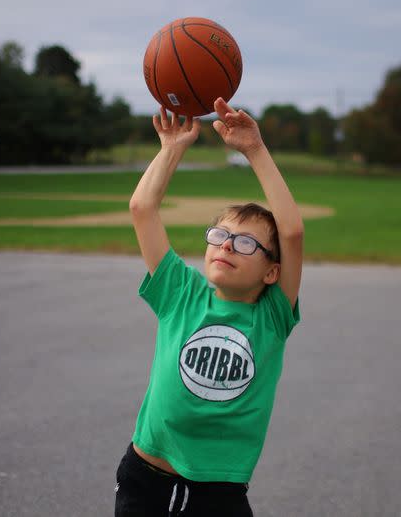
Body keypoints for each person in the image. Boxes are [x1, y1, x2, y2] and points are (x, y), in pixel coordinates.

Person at [114, 97, 303, 516]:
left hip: (217, 493)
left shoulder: (271, 317)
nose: (227, 246)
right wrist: (171, 148)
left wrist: (254, 149)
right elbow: (142, 208)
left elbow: (291, 233)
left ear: (272, 272)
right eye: (220, 235)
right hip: (147, 476)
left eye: (247, 243)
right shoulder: (180, 293)